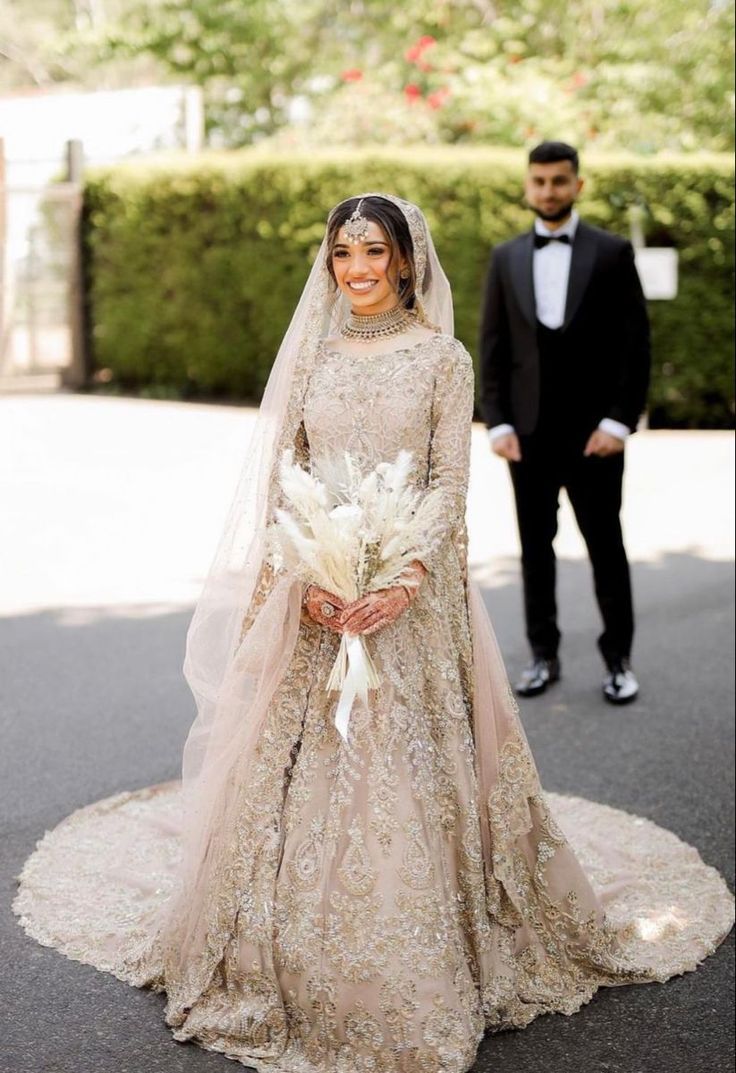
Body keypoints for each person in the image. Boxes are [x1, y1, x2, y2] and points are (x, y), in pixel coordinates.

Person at [13, 195, 733, 1073]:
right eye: (343, 252)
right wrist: (311, 581)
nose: (357, 269)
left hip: (410, 601)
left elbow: (446, 484)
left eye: (374, 252)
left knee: (407, 766)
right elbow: (291, 480)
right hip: (318, 594)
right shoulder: (311, 358)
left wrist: (403, 578)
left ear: (404, 261)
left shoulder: (443, 359)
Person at [480, 141, 650, 705]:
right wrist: (498, 423)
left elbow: (635, 346)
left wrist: (618, 422)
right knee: (535, 551)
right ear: (527, 186)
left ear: (578, 184)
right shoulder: (505, 258)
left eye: (558, 181)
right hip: (526, 437)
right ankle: (542, 656)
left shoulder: (611, 252)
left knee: (606, 547)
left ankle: (618, 661)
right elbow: (494, 347)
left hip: (594, 438)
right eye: (539, 181)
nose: (548, 190)